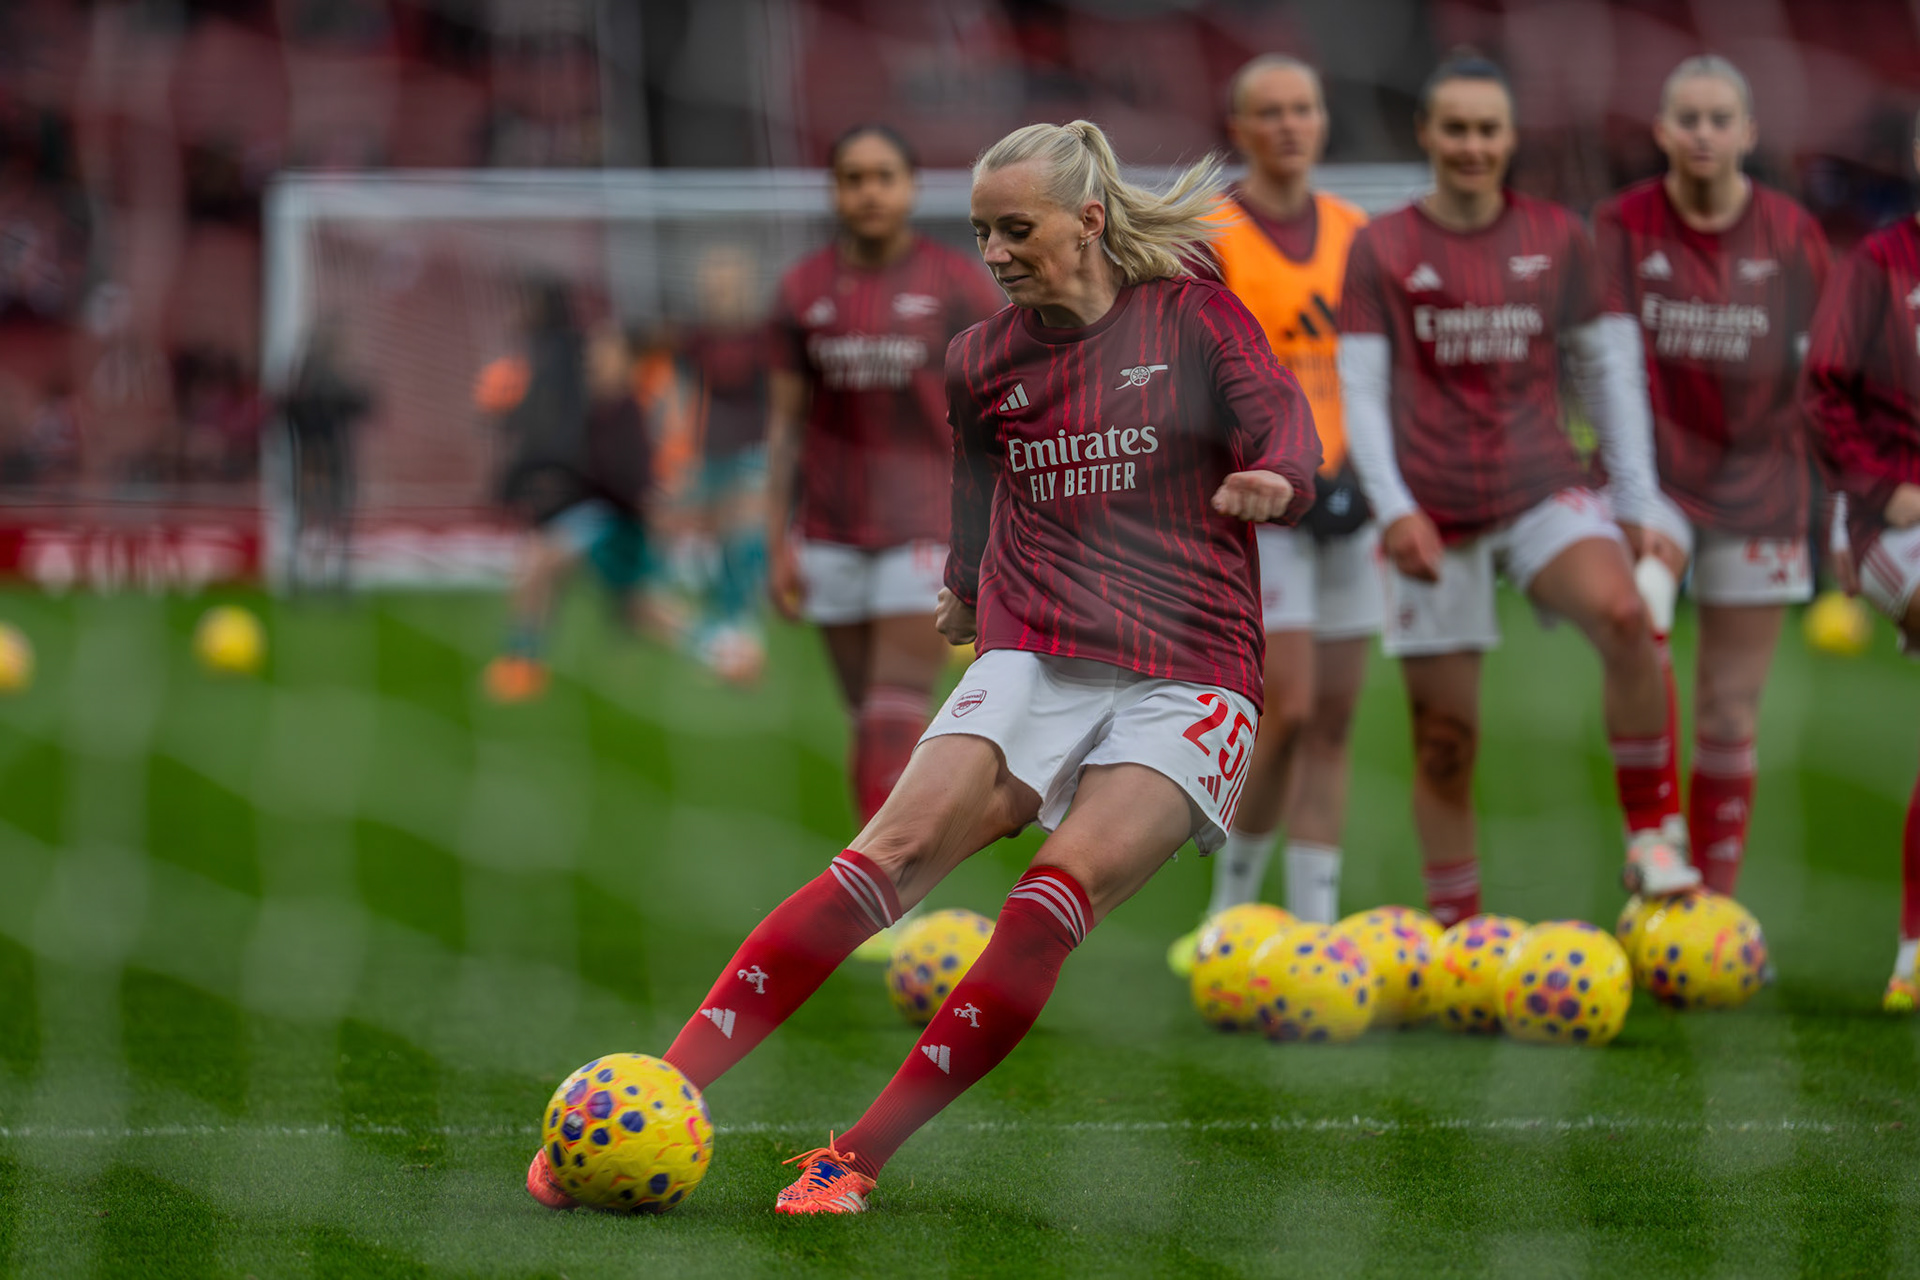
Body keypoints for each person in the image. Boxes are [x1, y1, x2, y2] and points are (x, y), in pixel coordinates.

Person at [527, 119, 1320, 1214]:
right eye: (982, 231)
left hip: (1193, 666)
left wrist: (1277, 476)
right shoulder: (982, 358)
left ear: (1088, 221)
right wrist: (960, 583)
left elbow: (1284, 418)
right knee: (883, 853)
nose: (994, 253)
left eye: (1017, 229)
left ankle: (852, 1156)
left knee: (1048, 902)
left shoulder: (1191, 315)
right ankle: (654, 1095)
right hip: (1037, 644)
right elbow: (976, 497)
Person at [1337, 52, 1694, 925]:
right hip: (1434, 513)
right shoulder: (1381, 247)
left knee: (1624, 616)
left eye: (1487, 128)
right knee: (1446, 745)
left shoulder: (1560, 236)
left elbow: (1610, 373)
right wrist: (1395, 512)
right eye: (1454, 127)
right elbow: (1361, 394)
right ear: (1425, 134)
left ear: (1510, 137)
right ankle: (1459, 929)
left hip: (1541, 489)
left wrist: (1639, 505)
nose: (1472, 144)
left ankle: (1653, 835)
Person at [1593, 56, 1829, 897]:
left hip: (1762, 487)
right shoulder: (1621, 226)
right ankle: (1652, 836)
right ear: (1660, 130)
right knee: (1638, 620)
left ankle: (1712, 901)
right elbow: (1608, 369)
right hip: (1657, 478)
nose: (1703, 133)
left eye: (1719, 118)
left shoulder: (1793, 234)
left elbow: (1822, 374)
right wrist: (1635, 494)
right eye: (1687, 118)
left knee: (1732, 706)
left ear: (1748, 133)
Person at [1173, 53, 1377, 961]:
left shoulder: (1356, 232)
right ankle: (1231, 914)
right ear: (1240, 127)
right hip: (1258, 500)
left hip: (1353, 500)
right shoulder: (1211, 230)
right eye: (1271, 111)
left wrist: (1369, 476)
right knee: (1284, 708)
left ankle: (1317, 928)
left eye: (1305, 107)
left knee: (1334, 717)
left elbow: (1375, 372)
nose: (1291, 124)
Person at [764, 124, 1005, 830]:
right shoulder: (801, 289)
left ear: (912, 187)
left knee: (894, 710)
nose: (870, 191)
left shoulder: (957, 282)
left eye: (883, 176)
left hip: (927, 524)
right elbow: (784, 425)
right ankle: (876, 868)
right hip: (830, 530)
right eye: (854, 178)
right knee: (864, 716)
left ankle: (880, 892)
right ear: (835, 190)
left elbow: (997, 406)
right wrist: (773, 539)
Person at [1800, 115, 1920, 1012]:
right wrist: (1879, 491)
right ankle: (1915, 950)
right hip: (1894, 517)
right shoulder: (1878, 263)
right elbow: (1823, 389)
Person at [482, 283, 656, 702]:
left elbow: (629, 480)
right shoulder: (594, 404)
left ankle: (723, 647)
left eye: (603, 353)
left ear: (626, 362)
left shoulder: (626, 411)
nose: (593, 360)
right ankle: (523, 664)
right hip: (596, 515)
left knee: (635, 607)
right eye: (592, 353)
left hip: (617, 521)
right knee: (549, 571)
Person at [678, 243, 772, 684]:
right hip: (709, 449)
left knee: (742, 536)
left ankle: (743, 623)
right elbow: (684, 392)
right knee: (714, 540)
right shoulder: (696, 339)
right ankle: (722, 623)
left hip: (755, 447)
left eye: (726, 283)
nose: (717, 292)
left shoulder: (762, 336)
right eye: (712, 284)